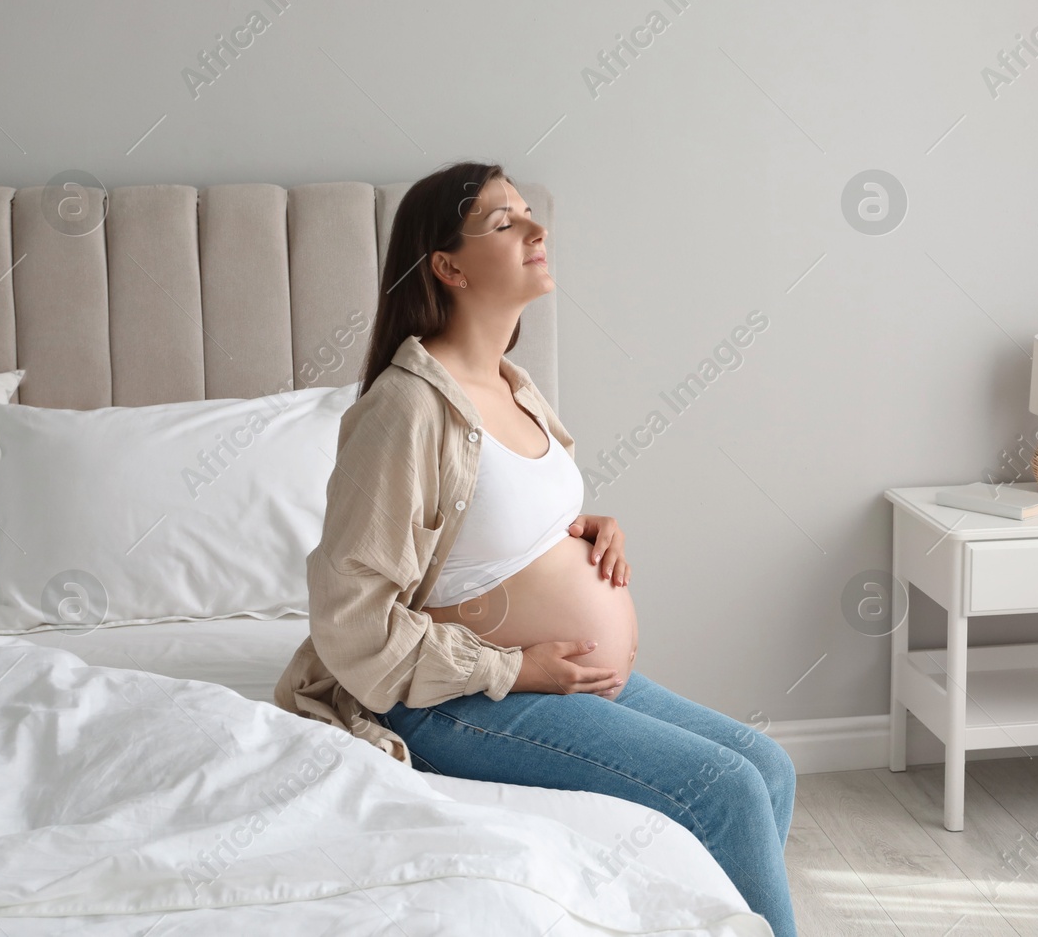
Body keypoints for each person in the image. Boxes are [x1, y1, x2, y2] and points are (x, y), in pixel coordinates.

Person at [274, 160, 797, 935]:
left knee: (770, 767)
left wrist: (584, 528)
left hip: (558, 678)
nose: (535, 229)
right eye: (503, 222)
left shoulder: (512, 384)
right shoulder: (405, 409)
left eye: (527, 212)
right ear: (448, 266)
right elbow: (351, 618)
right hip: (457, 697)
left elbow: (487, 523)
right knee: (725, 788)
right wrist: (517, 667)